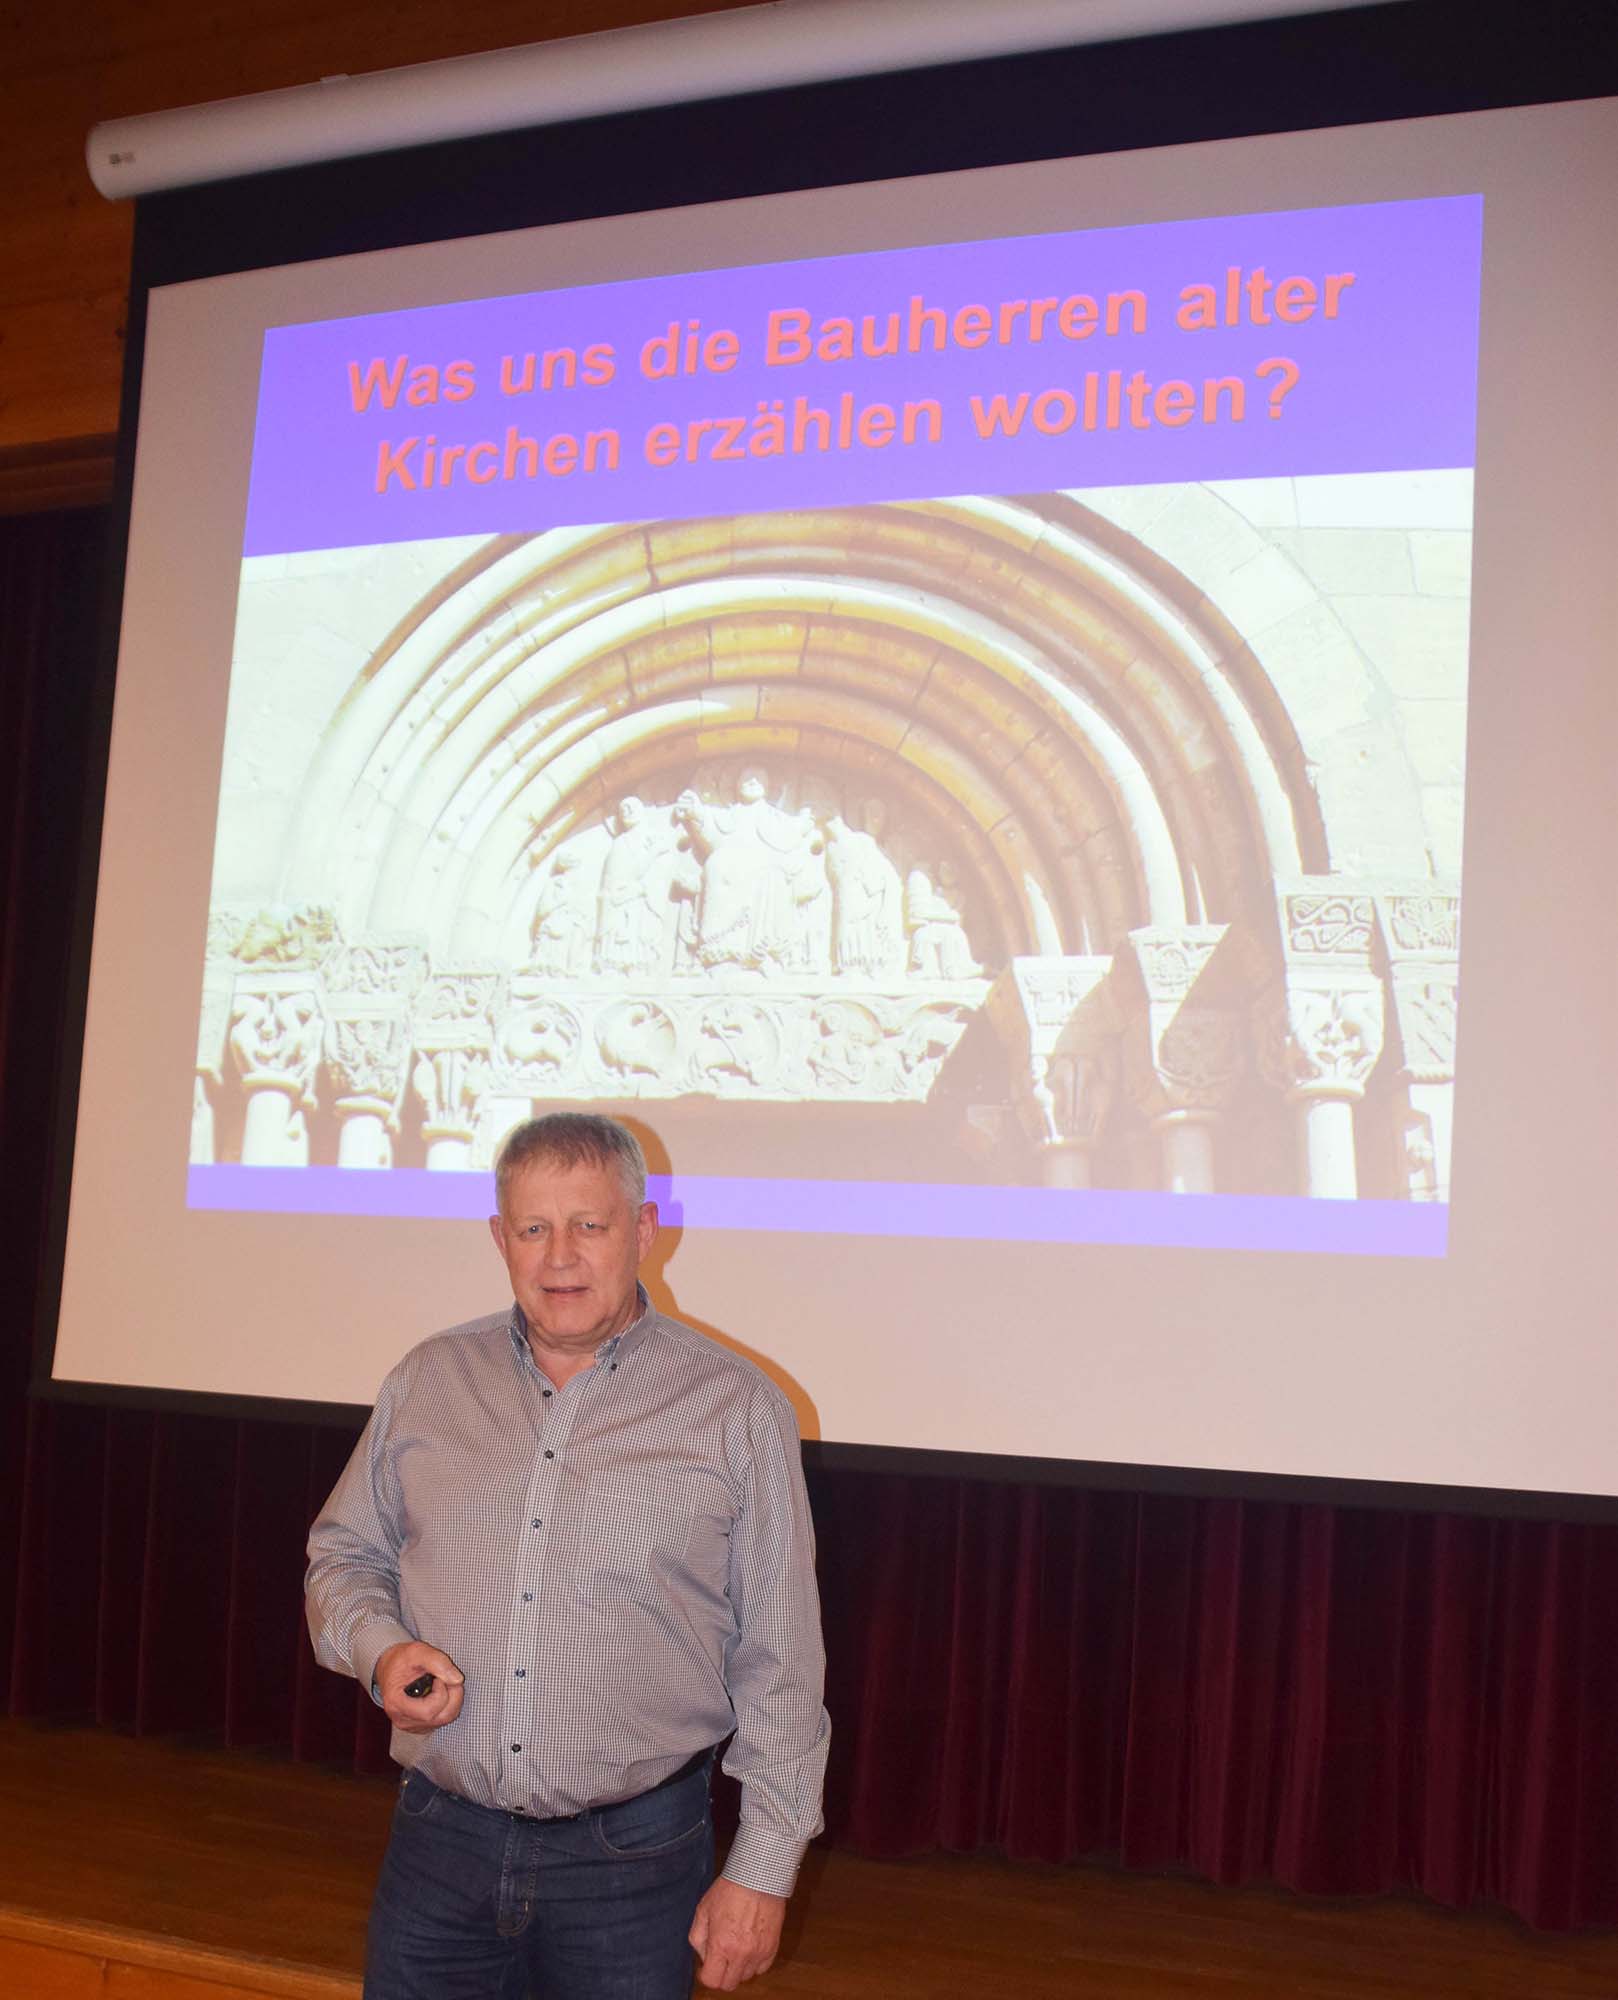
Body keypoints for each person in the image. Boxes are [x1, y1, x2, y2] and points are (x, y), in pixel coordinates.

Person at [306, 1112, 829, 1998]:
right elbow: (344, 1555)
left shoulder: (737, 1408)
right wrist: (381, 1650)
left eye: (589, 1225)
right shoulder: (429, 1381)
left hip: (634, 1865)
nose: (560, 1258)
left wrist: (763, 1869)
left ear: (644, 1230)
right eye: (534, 1229)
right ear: (499, 1237)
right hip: (440, 1844)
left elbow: (780, 1659)